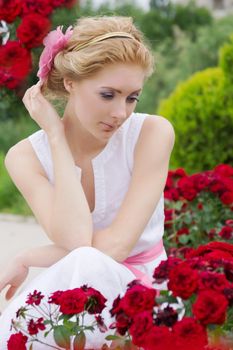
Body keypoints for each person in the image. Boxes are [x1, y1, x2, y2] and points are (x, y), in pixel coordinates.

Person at [0, 16, 175, 349]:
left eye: (132, 97)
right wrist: (55, 137)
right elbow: (76, 238)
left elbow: (115, 248)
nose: (121, 113)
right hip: (79, 293)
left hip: (145, 297)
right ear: (69, 83)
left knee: (87, 262)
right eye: (108, 95)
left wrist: (28, 257)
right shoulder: (24, 158)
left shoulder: (151, 134)